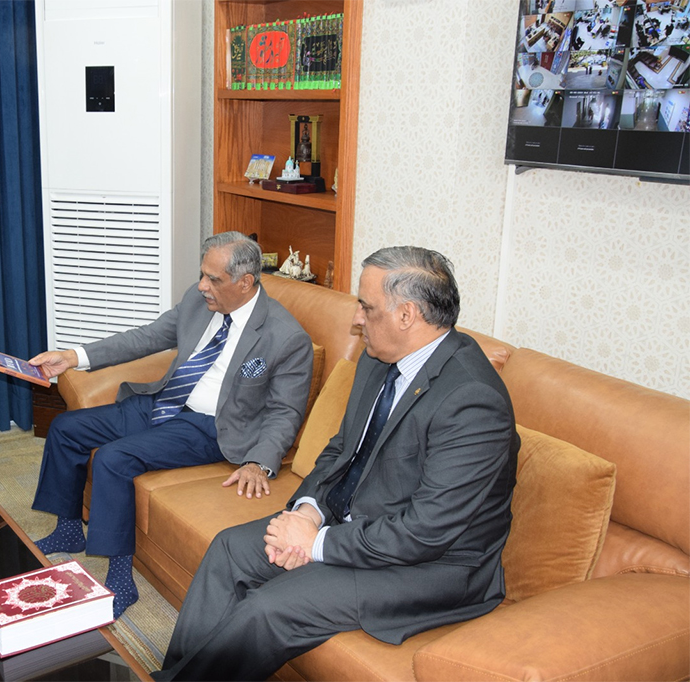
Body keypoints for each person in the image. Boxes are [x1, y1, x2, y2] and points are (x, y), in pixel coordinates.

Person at [154, 246, 520, 681]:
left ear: (407, 315)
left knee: (270, 607)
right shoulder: (378, 358)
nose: (357, 319)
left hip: (432, 565)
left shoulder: (472, 401)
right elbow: (342, 448)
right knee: (229, 549)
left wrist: (316, 544)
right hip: (354, 522)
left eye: (367, 307)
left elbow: (426, 531)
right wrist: (308, 510)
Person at [28, 231, 313, 619]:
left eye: (213, 279)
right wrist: (73, 356)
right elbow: (146, 338)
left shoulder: (286, 337)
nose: (202, 286)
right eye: (202, 274)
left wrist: (259, 462)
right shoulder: (199, 301)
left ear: (245, 282)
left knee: (114, 459)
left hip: (211, 427)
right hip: (165, 401)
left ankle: (120, 578)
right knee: (66, 429)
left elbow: (285, 411)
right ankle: (68, 529)